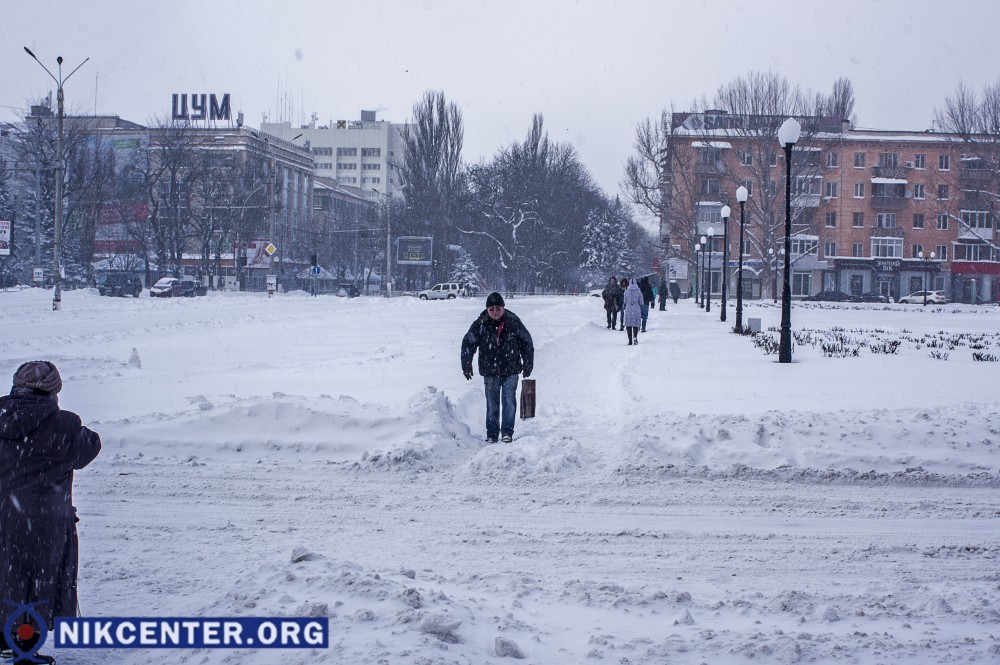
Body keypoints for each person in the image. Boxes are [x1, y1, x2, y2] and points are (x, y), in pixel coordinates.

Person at [0, 361, 101, 662]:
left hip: (3, 515)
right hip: (44, 523)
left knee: (6, 576)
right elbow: (89, 448)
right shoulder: (65, 424)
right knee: (36, 582)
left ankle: (6, 642)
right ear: (54, 390)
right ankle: (22, 647)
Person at [461, 292, 534, 443]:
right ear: (487, 309)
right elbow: (468, 343)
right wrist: (466, 363)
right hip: (490, 370)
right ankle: (492, 434)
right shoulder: (481, 323)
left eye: (498, 309)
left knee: (508, 401)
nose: (495, 312)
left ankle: (507, 432)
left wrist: (528, 362)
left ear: (503, 308)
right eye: (492, 309)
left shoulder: (513, 321)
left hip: (511, 369)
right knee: (492, 404)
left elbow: (527, 342)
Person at [622, 279, 643, 345]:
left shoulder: (626, 291)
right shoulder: (639, 291)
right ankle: (635, 338)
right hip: (636, 309)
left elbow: (624, 301)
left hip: (628, 309)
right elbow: (641, 302)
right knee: (635, 324)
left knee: (629, 325)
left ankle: (630, 340)